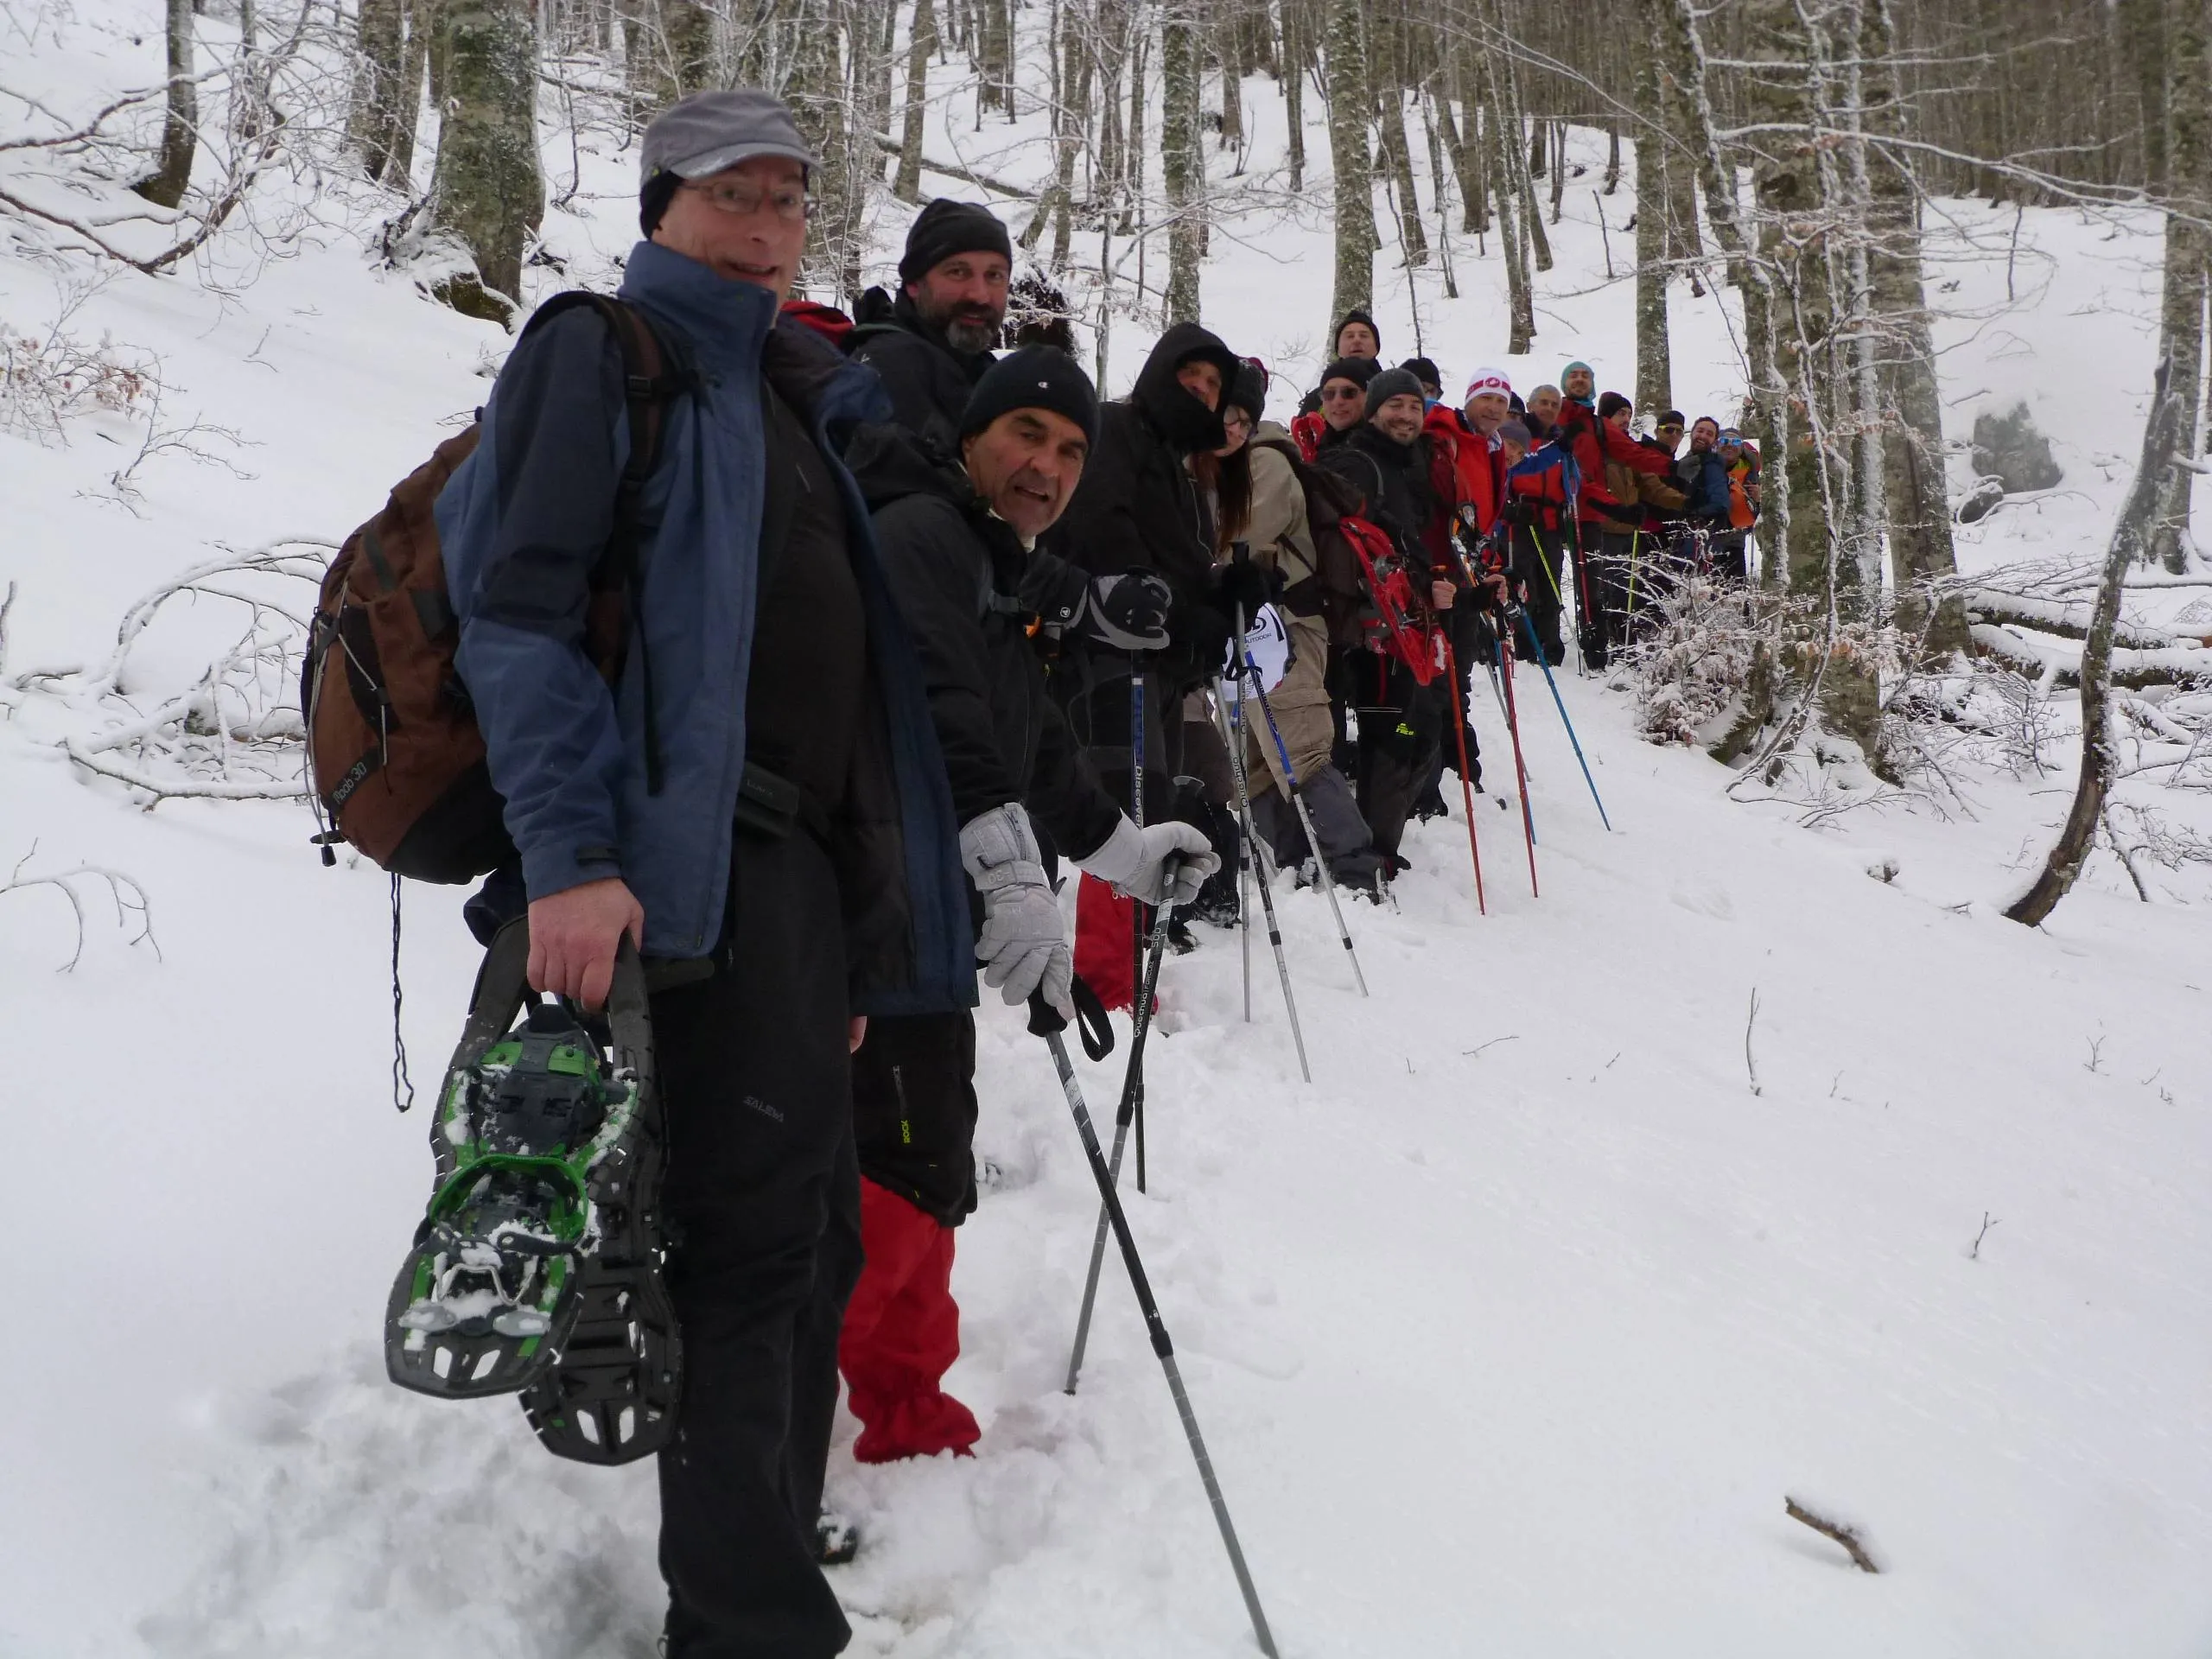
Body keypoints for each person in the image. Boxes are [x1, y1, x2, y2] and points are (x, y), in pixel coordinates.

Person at [438, 90, 978, 1659]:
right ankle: (748, 1624)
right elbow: (518, 613)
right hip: (677, 869)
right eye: (729, 195)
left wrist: (865, 953)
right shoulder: (602, 351)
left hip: (796, 892)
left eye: (788, 201)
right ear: (662, 205)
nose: (761, 225)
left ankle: (755, 1545)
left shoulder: (792, 398)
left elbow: (853, 713)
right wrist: (572, 857)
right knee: (748, 1253)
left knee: (807, 1241)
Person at [842, 349, 1215, 1467]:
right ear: (972, 435)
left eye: (1066, 451)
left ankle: (907, 1422)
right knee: (890, 1185)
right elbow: (943, 711)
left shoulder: (990, 562)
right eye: (1025, 437)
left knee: (922, 1169)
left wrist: (1126, 854)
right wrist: (1013, 875)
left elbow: (1035, 745)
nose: (1045, 467)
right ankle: (812, 1444)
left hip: (920, 926)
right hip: (870, 916)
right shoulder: (920, 538)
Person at [1043, 322, 1258, 1001]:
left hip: (1157, 662)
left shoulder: (1182, 471)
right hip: (1109, 651)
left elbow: (1182, 562)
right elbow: (1102, 532)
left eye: (1211, 387)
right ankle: (1106, 978)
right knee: (1123, 808)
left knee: (1151, 802)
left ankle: (1127, 965)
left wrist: (1223, 594)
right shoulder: (1116, 431)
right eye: (1188, 379)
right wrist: (1179, 607)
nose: (1197, 393)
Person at [1236, 361, 1387, 894]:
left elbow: (1252, 535)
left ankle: (1353, 870)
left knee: (1299, 752)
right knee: (1255, 758)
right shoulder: (1233, 462)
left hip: (1286, 629)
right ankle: (1291, 860)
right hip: (1246, 635)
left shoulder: (1266, 460)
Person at [1317, 366, 1469, 873]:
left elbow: (1411, 545)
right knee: (1398, 733)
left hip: (1402, 626)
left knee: (1411, 732)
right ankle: (1370, 851)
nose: (1406, 415)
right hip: (1371, 632)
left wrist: (1443, 587)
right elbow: (1356, 550)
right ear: (1374, 410)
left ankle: (1375, 843)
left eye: (1414, 407)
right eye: (1395, 406)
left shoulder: (1410, 465)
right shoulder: (1357, 463)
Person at [847, 199, 1013, 455]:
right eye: (958, 272)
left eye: (995, 276)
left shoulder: (980, 370)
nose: (980, 295)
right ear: (914, 283)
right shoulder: (885, 373)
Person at [1503, 416, 1578, 666]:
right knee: (1526, 584)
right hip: (1521, 520)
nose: (1547, 409)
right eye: (1542, 403)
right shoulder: (1521, 442)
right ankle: (1525, 643)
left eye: (1553, 405)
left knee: (1551, 586)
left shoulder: (1558, 448)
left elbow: (1572, 481)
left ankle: (1550, 644)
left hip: (1551, 522)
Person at [1291, 354, 1379, 461]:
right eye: (1329, 394)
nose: (1337, 401)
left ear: (1370, 397)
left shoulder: (1378, 451)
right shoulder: (1319, 449)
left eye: (1349, 392)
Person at [1713, 427, 1761, 582]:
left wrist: (1760, 499)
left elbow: (1761, 516)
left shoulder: (1750, 475)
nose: (1729, 445)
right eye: (1724, 440)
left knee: (1735, 593)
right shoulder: (1705, 468)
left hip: (1735, 542)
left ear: (1741, 448)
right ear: (1717, 445)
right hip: (1707, 540)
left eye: (1735, 441)